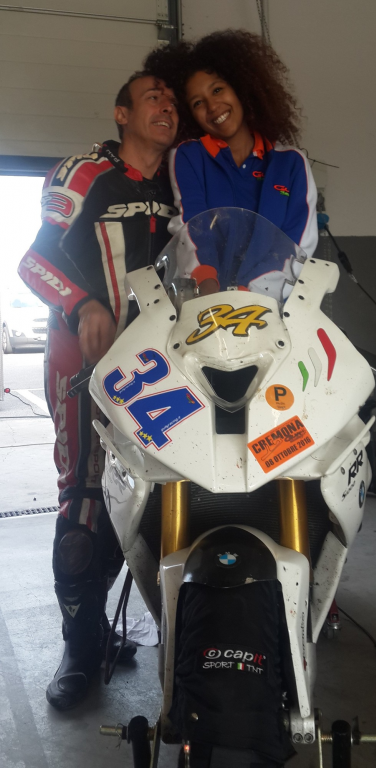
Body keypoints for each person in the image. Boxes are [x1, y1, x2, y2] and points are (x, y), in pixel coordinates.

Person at [17, 62, 179, 710]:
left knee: (156, 496)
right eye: (151, 98)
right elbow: (33, 260)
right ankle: (80, 649)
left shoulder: (181, 178)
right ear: (122, 114)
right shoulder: (83, 171)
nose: (165, 106)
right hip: (80, 364)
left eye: (171, 100)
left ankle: (134, 628)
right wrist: (84, 304)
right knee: (85, 505)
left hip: (158, 369)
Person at [145, 30, 318, 296]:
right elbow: (192, 227)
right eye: (198, 103)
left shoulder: (292, 163)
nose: (213, 106)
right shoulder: (188, 156)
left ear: (240, 88)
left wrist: (251, 294)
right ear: (191, 114)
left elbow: (298, 244)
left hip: (272, 306)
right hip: (207, 301)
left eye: (217, 90)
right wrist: (208, 287)